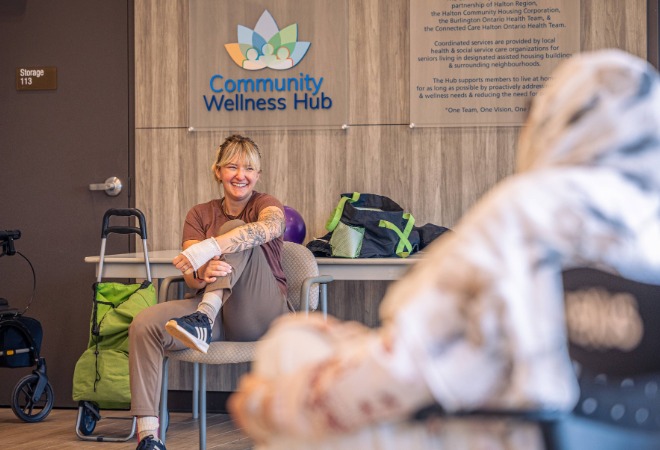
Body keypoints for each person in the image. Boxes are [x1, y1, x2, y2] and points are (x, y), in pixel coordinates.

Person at [228, 49, 660, 449]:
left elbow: (403, 370)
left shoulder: (528, 210)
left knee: (289, 345)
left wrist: (286, 400)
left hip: (488, 432)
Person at [130, 134, 292, 450]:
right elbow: (192, 277)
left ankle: (203, 316)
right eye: (231, 166)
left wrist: (213, 246)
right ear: (217, 171)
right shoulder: (199, 214)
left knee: (234, 229)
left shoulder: (265, 204)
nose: (240, 175)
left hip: (261, 311)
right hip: (216, 313)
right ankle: (149, 436)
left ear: (258, 175)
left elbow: (271, 227)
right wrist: (203, 270)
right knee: (144, 324)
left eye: (248, 169)